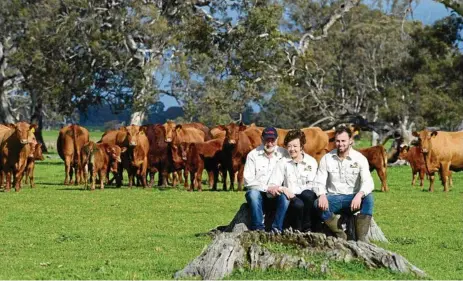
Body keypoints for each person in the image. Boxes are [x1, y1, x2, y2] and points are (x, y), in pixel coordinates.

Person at [312, 125, 374, 242]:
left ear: (351, 141)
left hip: (352, 198)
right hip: (333, 198)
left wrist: (359, 195)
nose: (340, 144)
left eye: (343, 141)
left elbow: (368, 181)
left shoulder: (360, 159)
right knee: (317, 204)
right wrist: (322, 195)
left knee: (369, 199)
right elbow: (319, 180)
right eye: (338, 141)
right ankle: (340, 234)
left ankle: (361, 240)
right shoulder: (327, 158)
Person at [267, 129, 319, 232]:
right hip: (291, 197)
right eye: (289, 146)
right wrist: (283, 189)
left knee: (308, 195)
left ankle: (308, 228)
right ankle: (297, 229)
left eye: (295, 146)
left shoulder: (311, 162)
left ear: (301, 146)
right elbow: (273, 184)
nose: (292, 149)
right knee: (297, 204)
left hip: (307, 197)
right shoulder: (283, 163)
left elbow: (314, 184)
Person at [244, 127, 289, 232]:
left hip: (278, 192)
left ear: (277, 140)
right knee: (253, 194)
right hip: (259, 192)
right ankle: (258, 228)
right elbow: (248, 181)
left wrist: (280, 188)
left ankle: (277, 228)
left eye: (272, 140)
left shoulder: (284, 154)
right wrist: (268, 188)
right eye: (266, 140)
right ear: (261, 139)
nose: (269, 143)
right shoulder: (252, 155)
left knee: (285, 198)